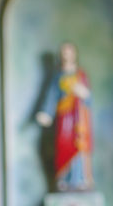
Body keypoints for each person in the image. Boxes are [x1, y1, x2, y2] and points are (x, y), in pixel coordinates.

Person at [36, 40, 94, 192]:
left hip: (78, 117)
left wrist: (82, 92)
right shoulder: (58, 76)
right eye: (64, 53)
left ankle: (80, 179)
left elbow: (88, 98)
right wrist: (47, 114)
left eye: (69, 52)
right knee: (63, 144)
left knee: (78, 146)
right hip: (64, 118)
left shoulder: (80, 75)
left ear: (74, 54)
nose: (66, 55)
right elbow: (52, 96)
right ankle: (65, 179)